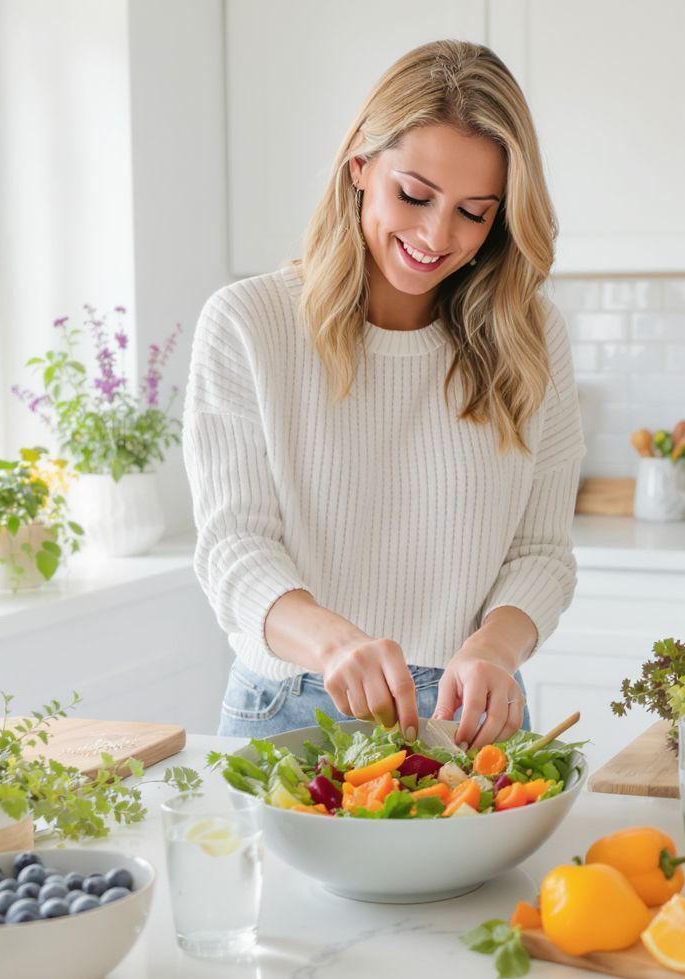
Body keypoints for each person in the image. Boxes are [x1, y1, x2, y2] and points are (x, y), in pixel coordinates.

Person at [183, 39, 584, 750]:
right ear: (360, 167)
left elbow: (541, 552)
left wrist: (495, 649)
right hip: (293, 706)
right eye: (415, 195)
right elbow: (235, 550)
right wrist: (337, 645)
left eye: (475, 212)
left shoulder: (531, 337)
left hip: (471, 720)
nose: (437, 235)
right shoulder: (251, 322)